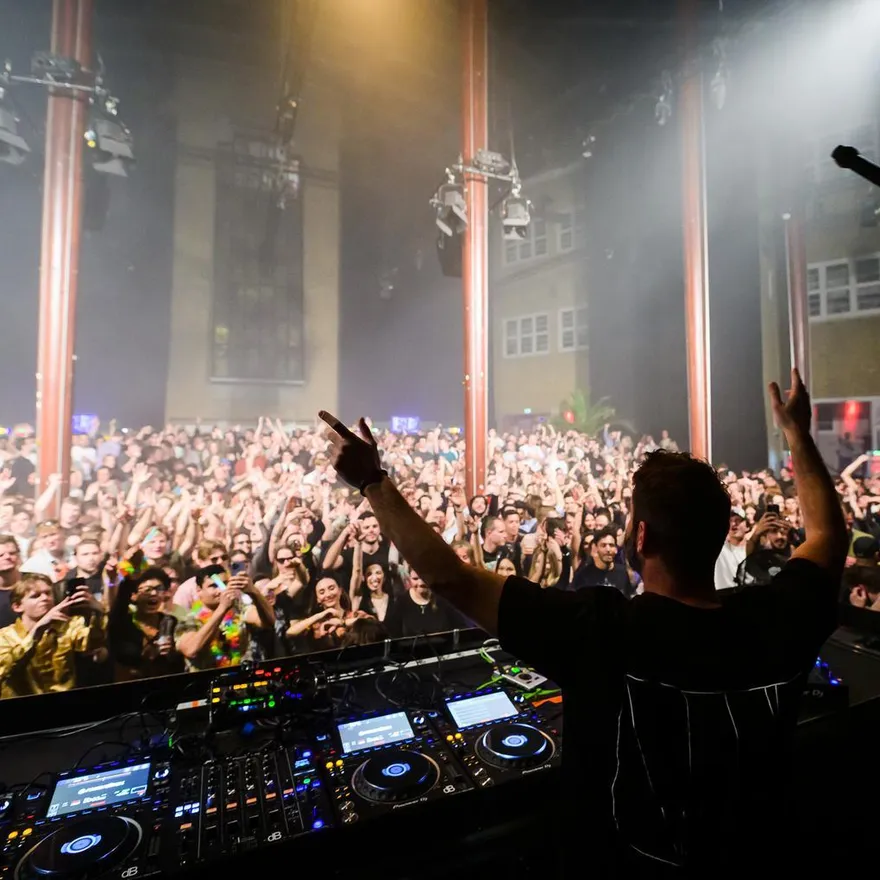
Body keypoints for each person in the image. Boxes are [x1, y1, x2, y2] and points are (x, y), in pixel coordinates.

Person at [318, 367, 846, 877]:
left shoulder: (601, 628)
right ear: (720, 535)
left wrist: (371, 481)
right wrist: (798, 434)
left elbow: (450, 577)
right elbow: (827, 536)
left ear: (639, 538)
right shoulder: (780, 616)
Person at [0, 575, 106, 698]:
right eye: (35, 596)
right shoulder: (5, 636)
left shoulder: (68, 625)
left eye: (48, 593)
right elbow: (6, 670)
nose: (45, 598)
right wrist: (37, 632)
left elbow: (93, 644)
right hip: (21, 709)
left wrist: (98, 613)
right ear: (17, 606)